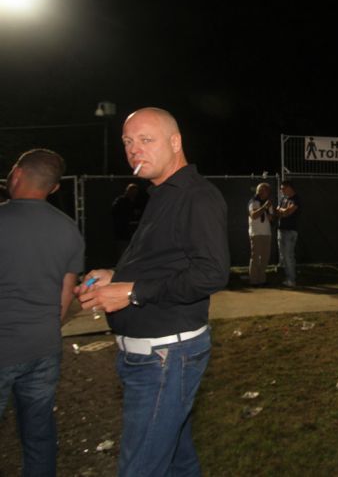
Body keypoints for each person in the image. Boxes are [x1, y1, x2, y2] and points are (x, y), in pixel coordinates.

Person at [75, 107, 229, 477]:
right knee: (177, 461)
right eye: (128, 142)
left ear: (175, 142)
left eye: (146, 139)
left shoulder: (197, 196)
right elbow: (165, 261)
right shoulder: (162, 193)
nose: (134, 150)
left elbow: (211, 273)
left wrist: (132, 292)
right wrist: (116, 275)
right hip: (153, 356)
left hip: (165, 357)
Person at [0, 149, 85, 476]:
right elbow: (64, 298)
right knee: (38, 433)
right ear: (54, 187)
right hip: (43, 348)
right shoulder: (68, 229)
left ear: (17, 173)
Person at [248, 182, 274, 286]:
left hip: (267, 233)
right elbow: (254, 215)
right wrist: (264, 207)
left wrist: (270, 212)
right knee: (255, 258)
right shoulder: (253, 202)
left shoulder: (268, 203)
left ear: (268, 192)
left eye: (265, 190)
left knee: (265, 258)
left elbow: (271, 219)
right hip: (256, 233)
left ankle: (262, 280)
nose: (262, 192)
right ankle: (253, 281)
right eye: (260, 190)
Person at [276, 180, 301, 287]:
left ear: (289, 188)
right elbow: (278, 212)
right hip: (281, 230)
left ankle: (291, 280)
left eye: (283, 188)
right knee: (284, 256)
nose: (281, 190)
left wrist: (282, 211)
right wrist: (283, 211)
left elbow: (288, 212)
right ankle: (288, 278)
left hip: (290, 231)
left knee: (288, 256)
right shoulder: (283, 199)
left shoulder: (296, 199)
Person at [112, 183, 143, 260]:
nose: (133, 193)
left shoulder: (138, 202)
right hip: (123, 231)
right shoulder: (120, 201)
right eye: (132, 191)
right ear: (127, 191)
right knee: (123, 252)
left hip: (135, 232)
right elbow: (115, 213)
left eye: (135, 192)